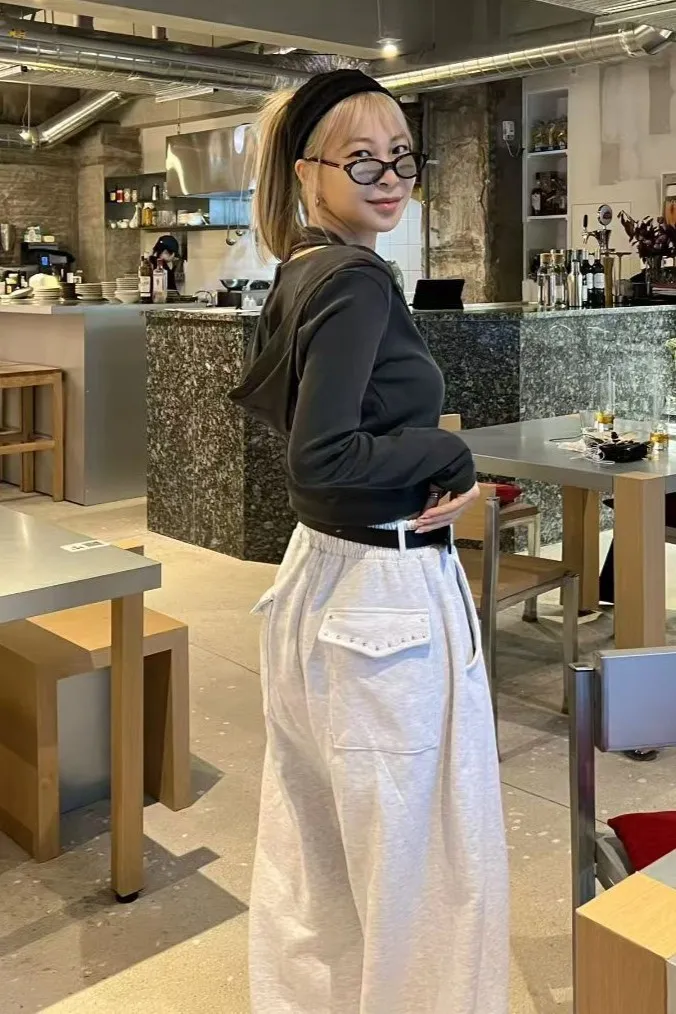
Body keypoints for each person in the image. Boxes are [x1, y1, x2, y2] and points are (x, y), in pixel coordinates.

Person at [230, 69, 508, 1014]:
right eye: (361, 160)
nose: (389, 178)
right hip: (381, 601)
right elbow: (322, 458)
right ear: (307, 171)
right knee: (419, 872)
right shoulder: (354, 281)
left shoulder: (304, 270)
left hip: (324, 581)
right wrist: (449, 451)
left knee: (317, 858)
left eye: (400, 158)